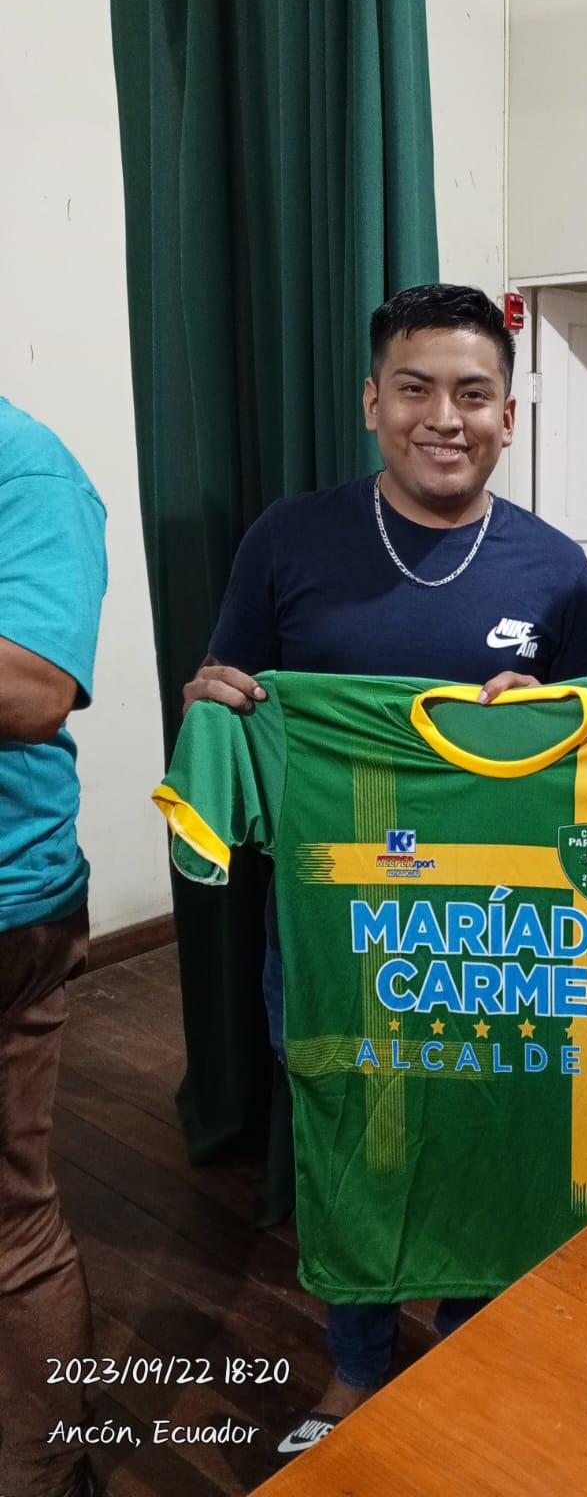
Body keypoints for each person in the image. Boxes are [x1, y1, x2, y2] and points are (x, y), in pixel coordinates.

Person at [181, 284, 587, 1458]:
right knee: (349, 1141)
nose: (445, 417)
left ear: (509, 414)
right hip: (332, 928)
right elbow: (229, 692)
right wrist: (212, 703)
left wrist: (552, 719)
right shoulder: (288, 539)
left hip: (495, 933)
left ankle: (474, 1345)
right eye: (416, 388)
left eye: (474, 393)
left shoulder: (556, 570)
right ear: (373, 401)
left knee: (487, 1124)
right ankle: (359, 1364)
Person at [0, 397, 107, 1497]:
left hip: (5, 908)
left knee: (7, 1221)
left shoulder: (25, 468)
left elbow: (34, 689)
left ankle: (43, 1467)